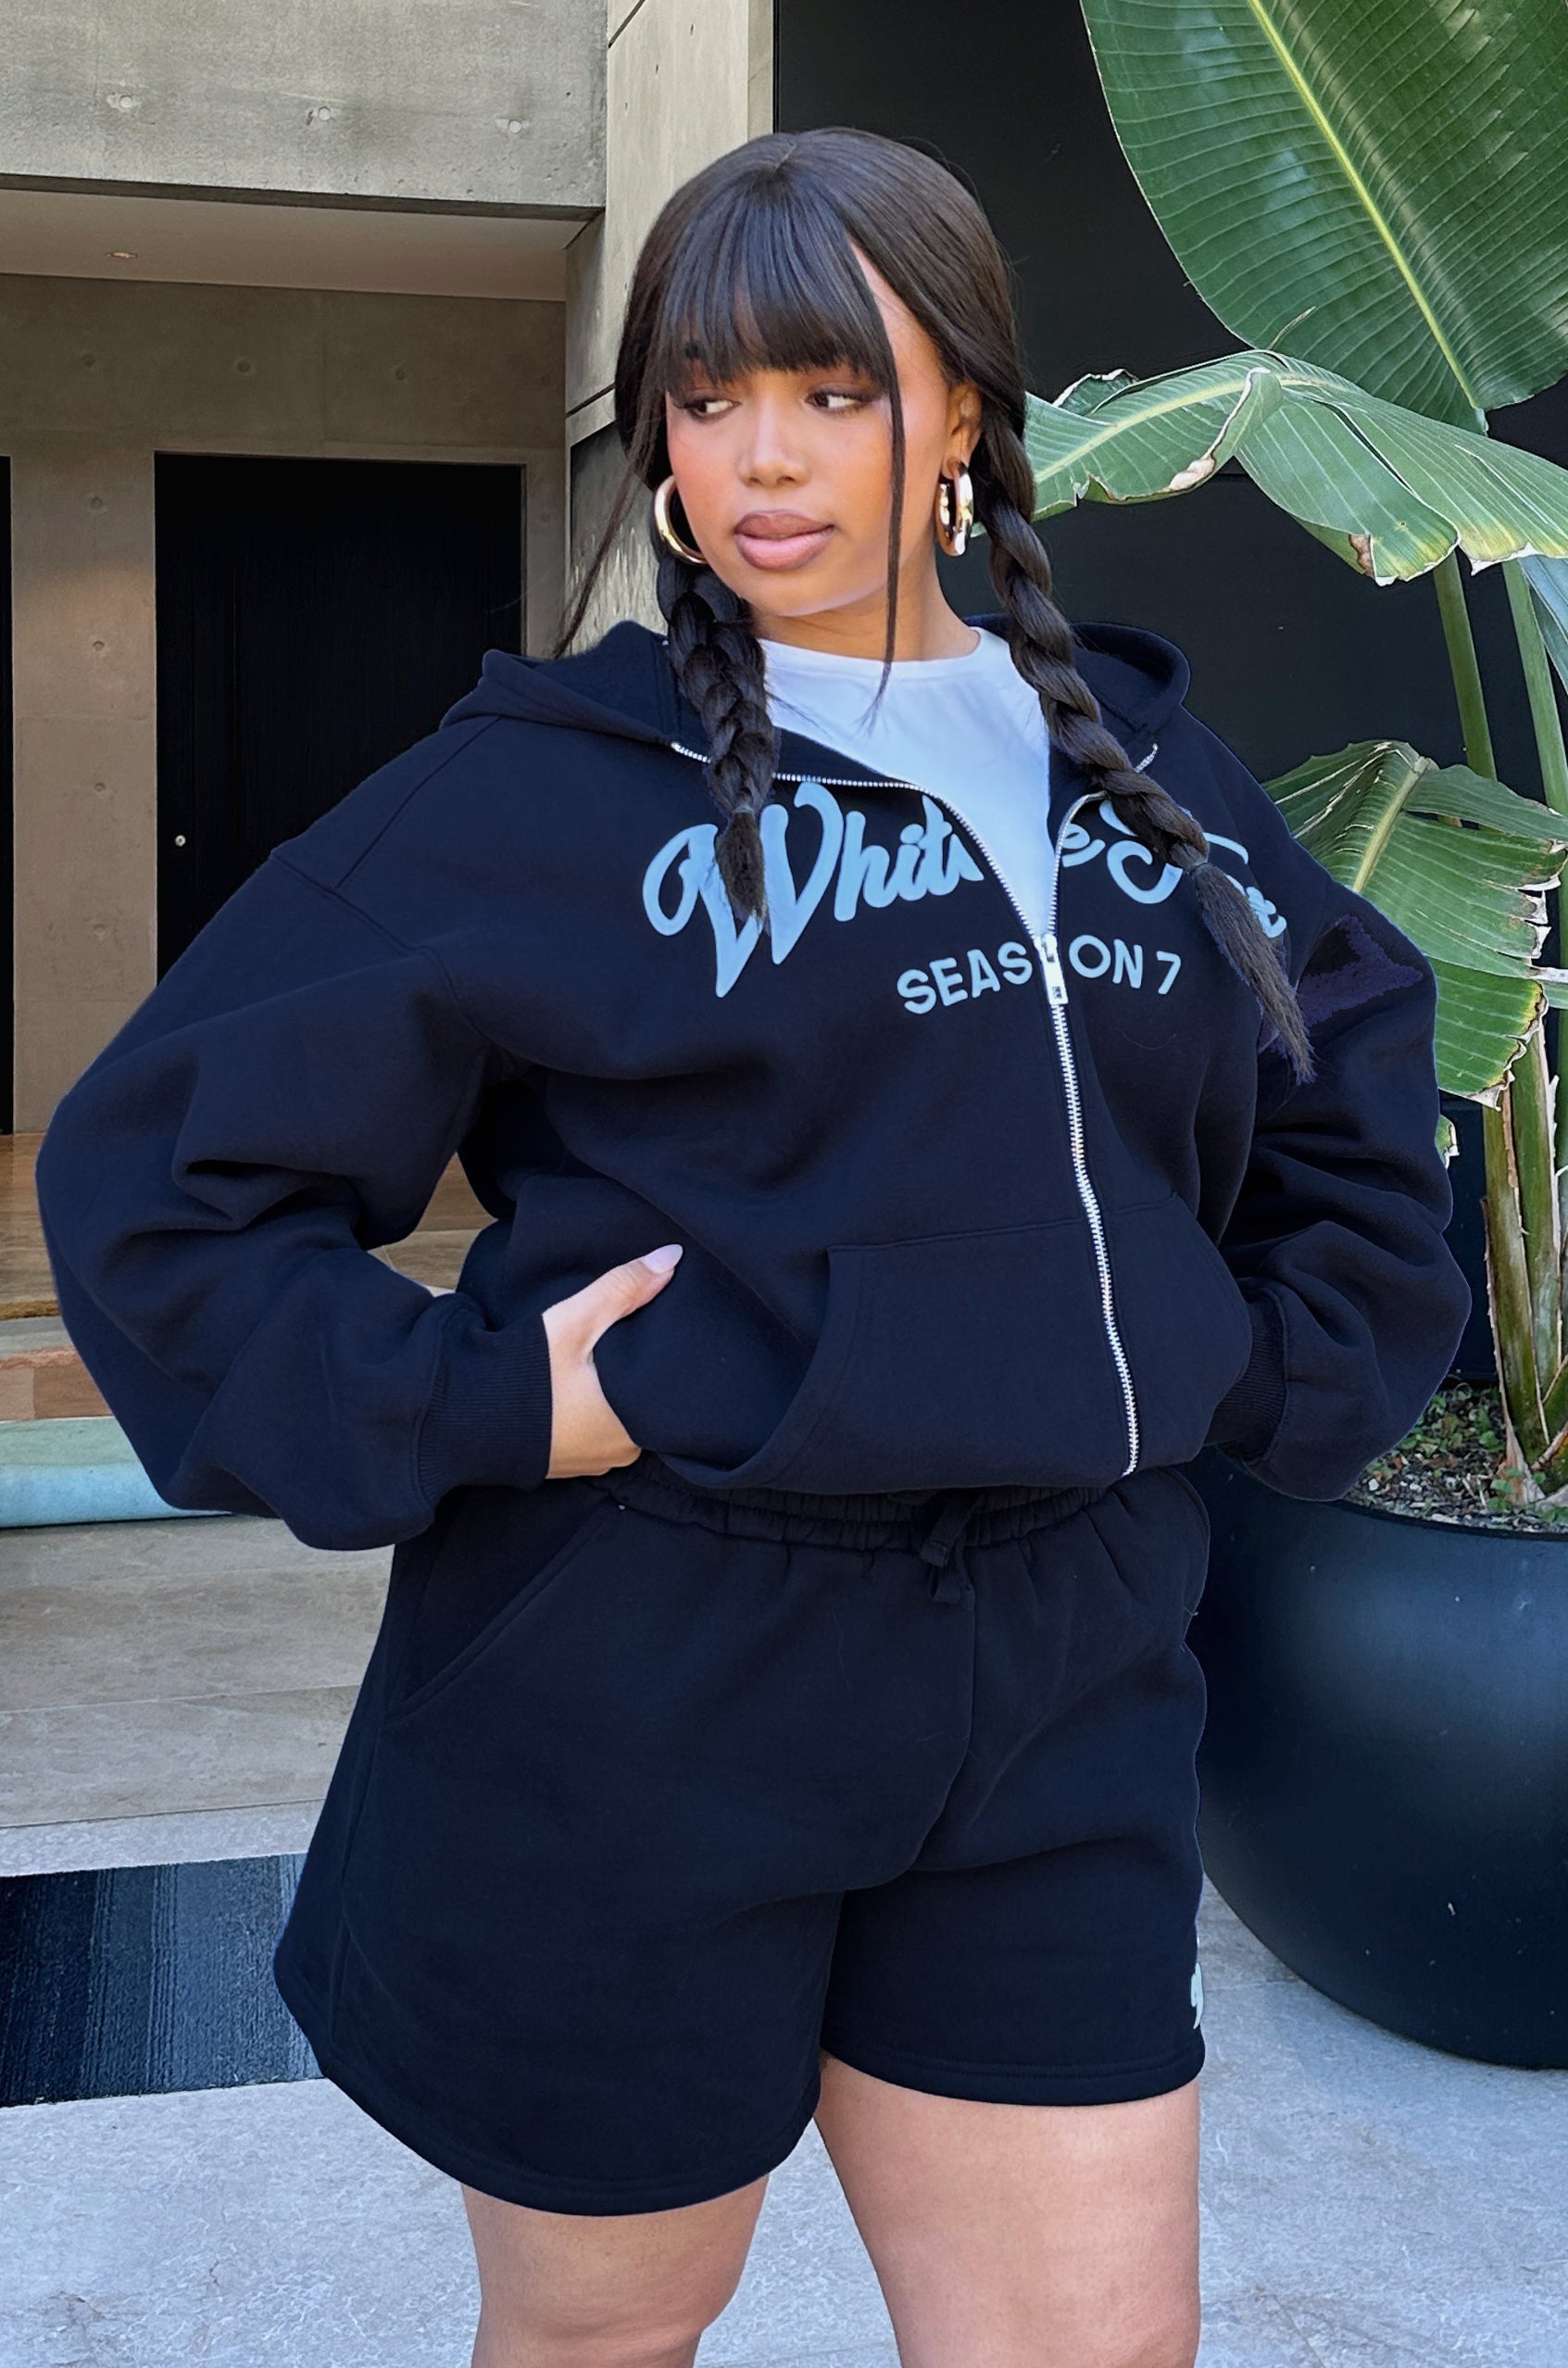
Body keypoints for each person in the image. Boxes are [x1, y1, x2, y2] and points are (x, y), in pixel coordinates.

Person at [34, 128, 1470, 2368]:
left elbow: (1351, 1057)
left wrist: (1260, 1364)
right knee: (613, 2332)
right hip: (653, 1672)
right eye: (707, 401)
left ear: (963, 409)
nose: (763, 460)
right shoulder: (546, 790)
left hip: (1067, 1660)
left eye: (832, 388)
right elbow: (158, 1173)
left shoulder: (1137, 766)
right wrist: (483, 1398)